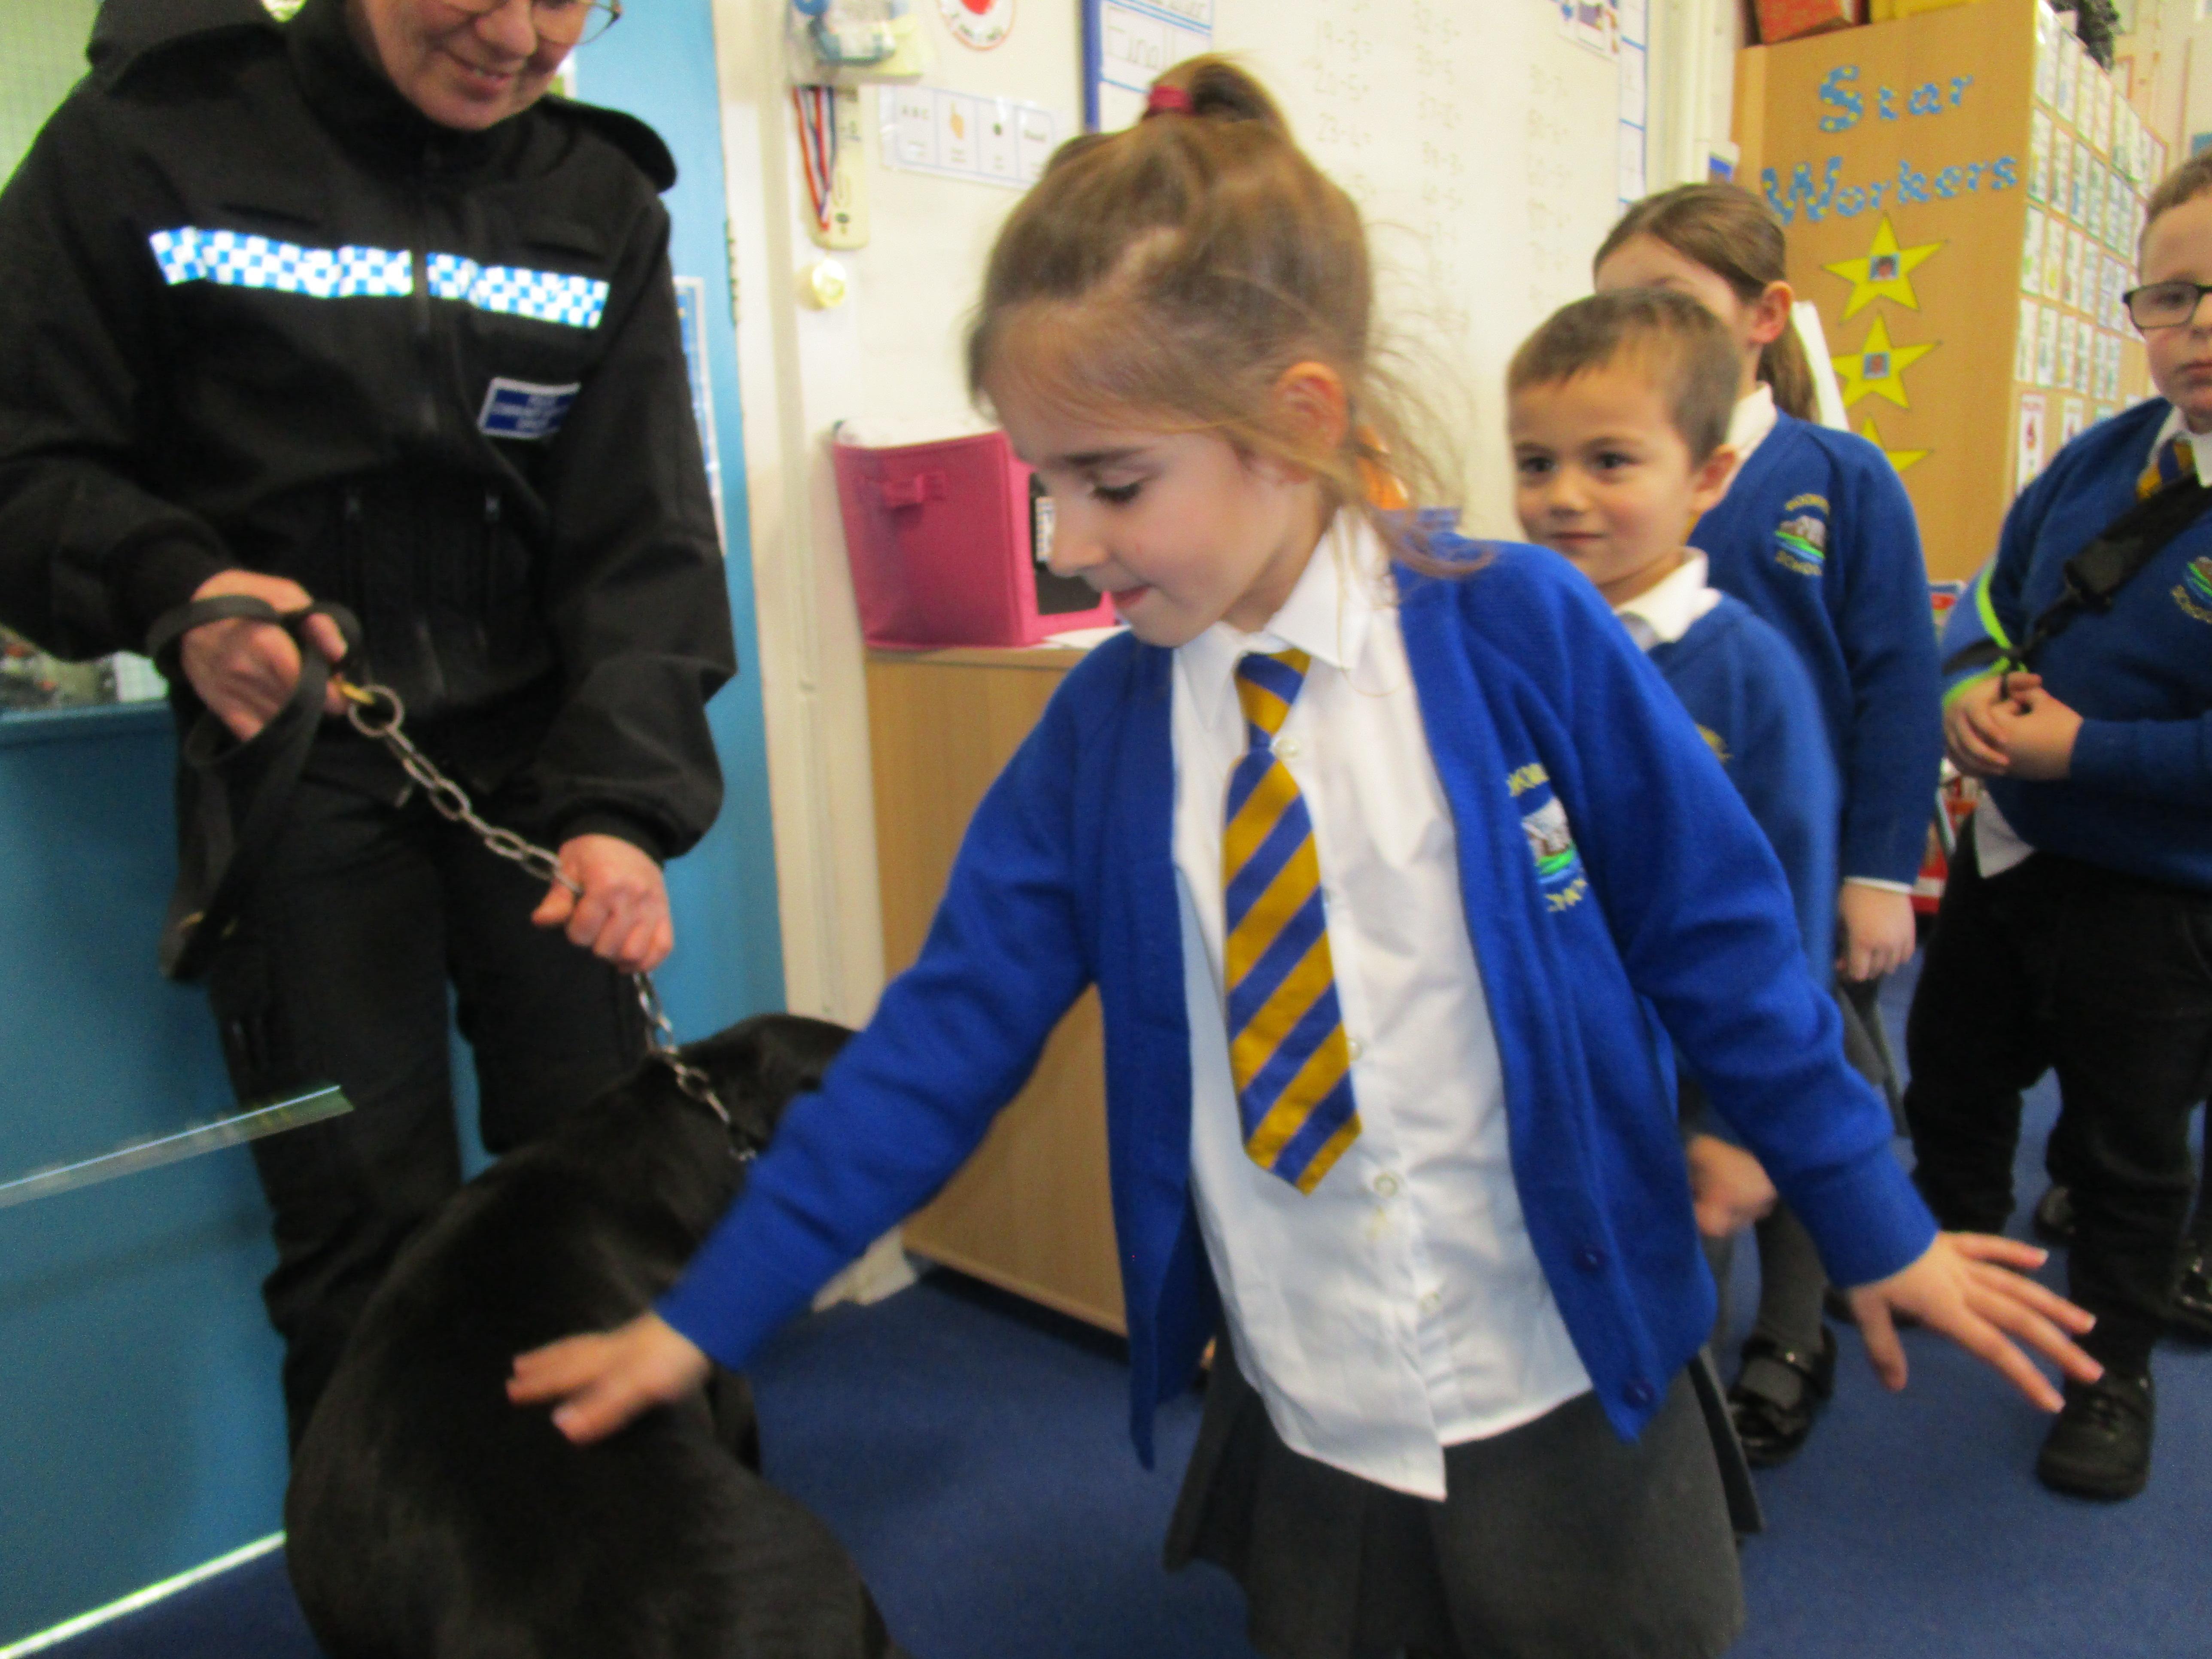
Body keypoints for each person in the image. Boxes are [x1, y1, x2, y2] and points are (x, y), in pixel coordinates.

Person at [513, 60, 2094, 1659]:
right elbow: (938, 1043)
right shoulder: (1104, 735)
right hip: (1312, 1390)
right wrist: (710, 1312)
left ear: (1298, 421)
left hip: (1559, 1357)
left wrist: (1870, 1214)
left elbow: (1723, 943)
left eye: (1113, 483)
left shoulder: (1518, 631)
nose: (1065, 542)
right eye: (1042, 482)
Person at [0, 0, 736, 1448]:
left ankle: (644, 1548)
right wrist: (175, 588)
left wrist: (624, 806)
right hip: (299, 766)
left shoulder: (596, 199)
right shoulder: (153, 137)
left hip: (546, 773)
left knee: (609, 1206)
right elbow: (23, 457)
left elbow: (646, 539)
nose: (520, 34)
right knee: (365, 1246)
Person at [1592, 184, 1945, 1465]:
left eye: (1672, 303)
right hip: (1658, 882)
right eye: (1613, 308)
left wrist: (1875, 872)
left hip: (1803, 869)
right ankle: (1675, 1351)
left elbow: (1900, 683)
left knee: (1797, 1079)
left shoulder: (1839, 478)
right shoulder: (1616, 473)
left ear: (1765, 317)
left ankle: (1792, 1339)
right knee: (1685, 1112)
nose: (1639, 331)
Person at [1905, 149, 2212, 1502]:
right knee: (1956, 1069)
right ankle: (1954, 1246)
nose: (2197, 327)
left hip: (2160, 896)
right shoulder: (2103, 457)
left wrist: (2083, 750)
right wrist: (1967, 692)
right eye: (2172, 295)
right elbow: (1990, 598)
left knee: (2128, 1147)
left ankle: (2114, 1370)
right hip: (2015, 849)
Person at [1505, 285, 1842, 1398]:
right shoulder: (1511, 645)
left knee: (1669, 1308)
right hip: (1556, 1050)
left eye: (1610, 461)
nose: (1563, 497)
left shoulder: (1749, 672)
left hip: (1694, 1074)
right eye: (1535, 463)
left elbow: (1789, 910)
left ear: (1708, 476)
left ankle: (1677, 1462)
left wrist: (1747, 1124)